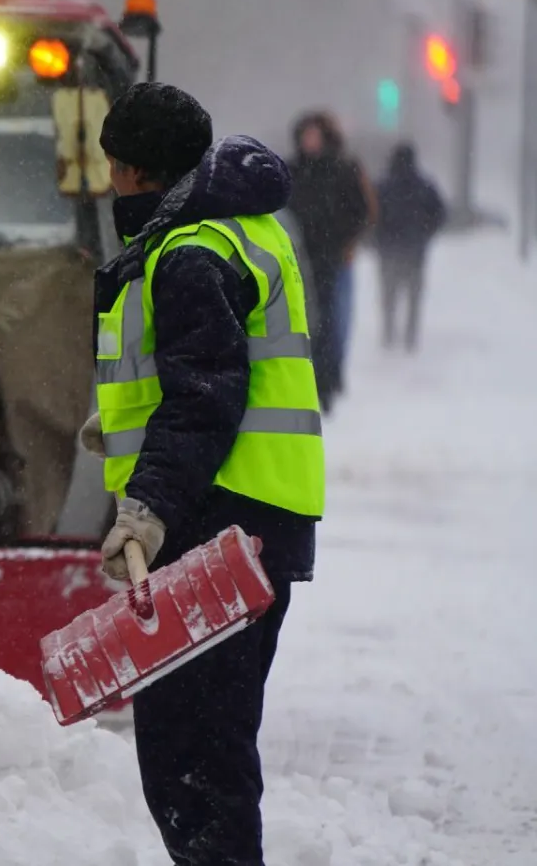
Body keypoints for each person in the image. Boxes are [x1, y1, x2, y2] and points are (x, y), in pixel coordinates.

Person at [80, 83, 324, 866]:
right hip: (254, 519)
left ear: (133, 172)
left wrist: (146, 503)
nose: (107, 182)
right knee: (211, 749)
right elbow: (219, 367)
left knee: (191, 760)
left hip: (216, 523)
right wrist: (121, 424)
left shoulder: (187, 253)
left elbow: (206, 397)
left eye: (112, 167)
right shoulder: (240, 231)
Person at [285, 111, 374, 414]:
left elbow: (361, 211)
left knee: (330, 323)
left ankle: (325, 383)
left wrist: (344, 241)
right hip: (296, 259)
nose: (310, 141)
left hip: (331, 260)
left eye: (315, 134)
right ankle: (308, 382)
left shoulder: (343, 169)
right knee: (304, 324)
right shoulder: (291, 170)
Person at [373, 141, 447, 351]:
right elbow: (439, 213)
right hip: (415, 251)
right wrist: (425, 232)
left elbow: (371, 216)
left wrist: (377, 238)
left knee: (389, 294)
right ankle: (410, 337)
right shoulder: (424, 186)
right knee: (413, 295)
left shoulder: (382, 186)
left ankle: (388, 333)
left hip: (388, 250)